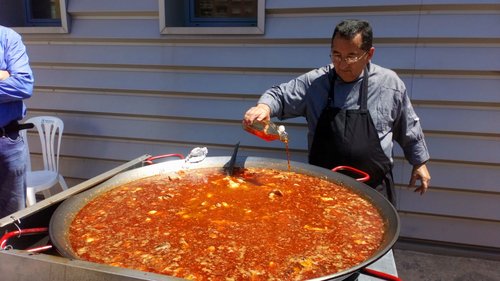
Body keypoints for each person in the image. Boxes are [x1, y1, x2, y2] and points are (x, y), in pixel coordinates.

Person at [243, 19, 430, 204]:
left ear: (369, 54)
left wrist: (419, 161)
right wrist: (263, 107)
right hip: (322, 190)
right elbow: (279, 95)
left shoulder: (389, 84)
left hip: (373, 192)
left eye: (351, 56)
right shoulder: (316, 83)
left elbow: (407, 125)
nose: (342, 64)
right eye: (336, 55)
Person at [0, 25, 34, 218]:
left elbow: (23, 86)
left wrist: (12, 79)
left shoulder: (7, 37)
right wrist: (3, 75)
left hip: (8, 143)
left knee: (12, 217)